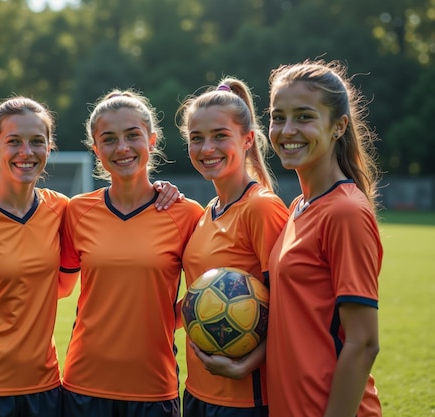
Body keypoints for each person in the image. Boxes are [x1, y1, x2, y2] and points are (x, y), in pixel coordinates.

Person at [0, 95, 183, 417]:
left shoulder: (60, 209)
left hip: (46, 387)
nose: (26, 153)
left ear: (49, 146)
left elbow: (62, 287)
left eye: (36, 142)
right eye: (14, 141)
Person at [59, 89, 204, 417]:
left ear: (152, 140)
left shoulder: (187, 214)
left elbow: (203, 295)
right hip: (83, 387)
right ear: (96, 150)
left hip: (154, 388)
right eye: (108, 139)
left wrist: (164, 320)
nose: (121, 148)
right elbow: (53, 285)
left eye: (132, 136)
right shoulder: (77, 211)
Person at [266, 59, 383, 417]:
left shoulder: (344, 212)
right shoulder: (299, 206)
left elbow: (363, 343)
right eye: (277, 116)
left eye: (304, 116)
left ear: (338, 126)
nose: (287, 129)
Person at [175, 77, 289, 417]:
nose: (207, 148)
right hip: (196, 390)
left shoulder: (262, 208)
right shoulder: (206, 211)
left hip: (245, 399)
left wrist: (247, 365)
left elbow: (290, 309)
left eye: (220, 136)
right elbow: (198, 300)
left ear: (247, 139)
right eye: (197, 138)